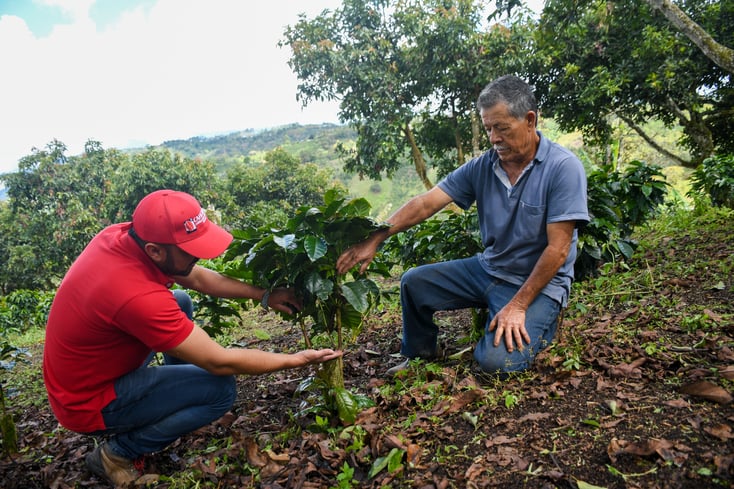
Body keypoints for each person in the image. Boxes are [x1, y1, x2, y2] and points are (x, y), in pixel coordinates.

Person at [43, 189, 341, 486]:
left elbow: (196, 277)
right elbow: (220, 362)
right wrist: (295, 360)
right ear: (155, 251)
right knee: (220, 388)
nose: (198, 254)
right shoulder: (136, 296)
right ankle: (117, 453)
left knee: (180, 299)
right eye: (189, 249)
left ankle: (173, 401)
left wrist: (264, 294)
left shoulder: (123, 238)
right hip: (87, 401)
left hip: (91, 367)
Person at [336, 75, 589, 377]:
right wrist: (376, 237)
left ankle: (539, 323)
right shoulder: (485, 165)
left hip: (536, 283)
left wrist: (518, 305)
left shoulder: (562, 168)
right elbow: (427, 203)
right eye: (488, 129)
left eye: (502, 128)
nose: (494, 138)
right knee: (414, 282)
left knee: (496, 364)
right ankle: (421, 352)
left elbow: (558, 250)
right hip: (489, 268)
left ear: (530, 119)